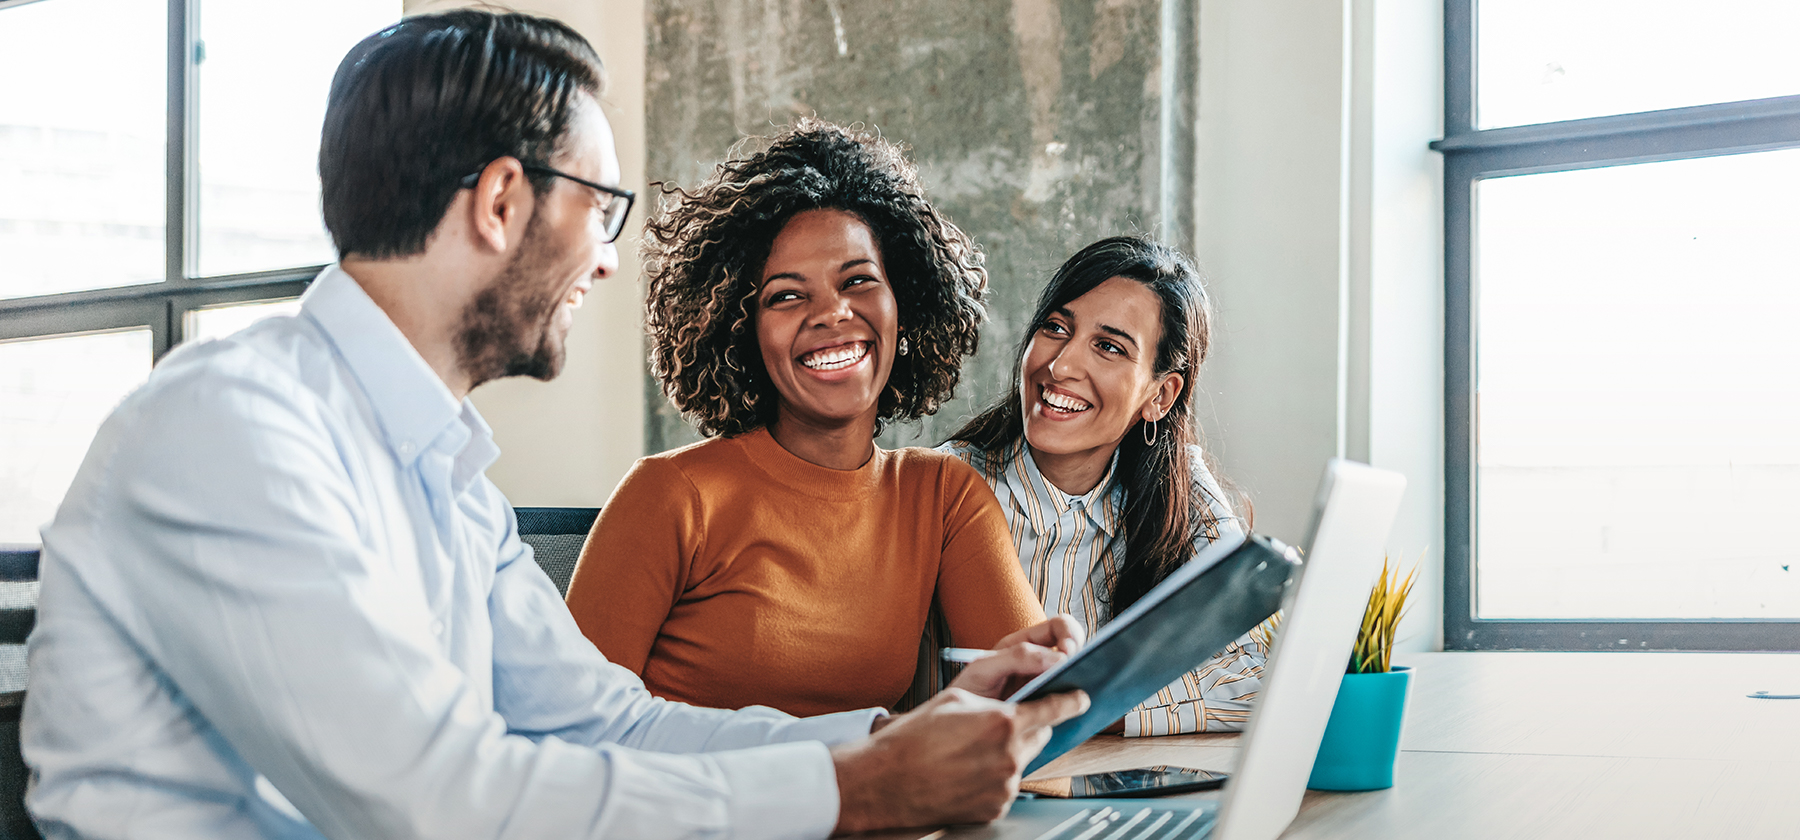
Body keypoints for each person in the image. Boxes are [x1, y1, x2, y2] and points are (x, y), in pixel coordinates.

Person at [22, 12, 1086, 840]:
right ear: (500, 202)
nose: (611, 258)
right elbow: (437, 803)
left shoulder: (443, 481)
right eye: (601, 208)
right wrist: (851, 794)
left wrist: (899, 738)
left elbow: (605, 722)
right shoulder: (231, 429)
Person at [563, 120, 1050, 718]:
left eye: (858, 281)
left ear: (906, 303)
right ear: (743, 333)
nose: (833, 313)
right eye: (788, 296)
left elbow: (1032, 708)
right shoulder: (669, 497)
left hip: (870, 808)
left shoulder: (943, 497)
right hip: (696, 807)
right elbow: (569, 734)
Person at [942, 235, 1273, 736]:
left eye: (1109, 347)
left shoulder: (1180, 495)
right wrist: (1119, 695)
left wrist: (1084, 707)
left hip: (1108, 790)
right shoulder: (945, 486)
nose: (1060, 366)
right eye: (1056, 328)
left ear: (1160, 396)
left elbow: (1262, 674)